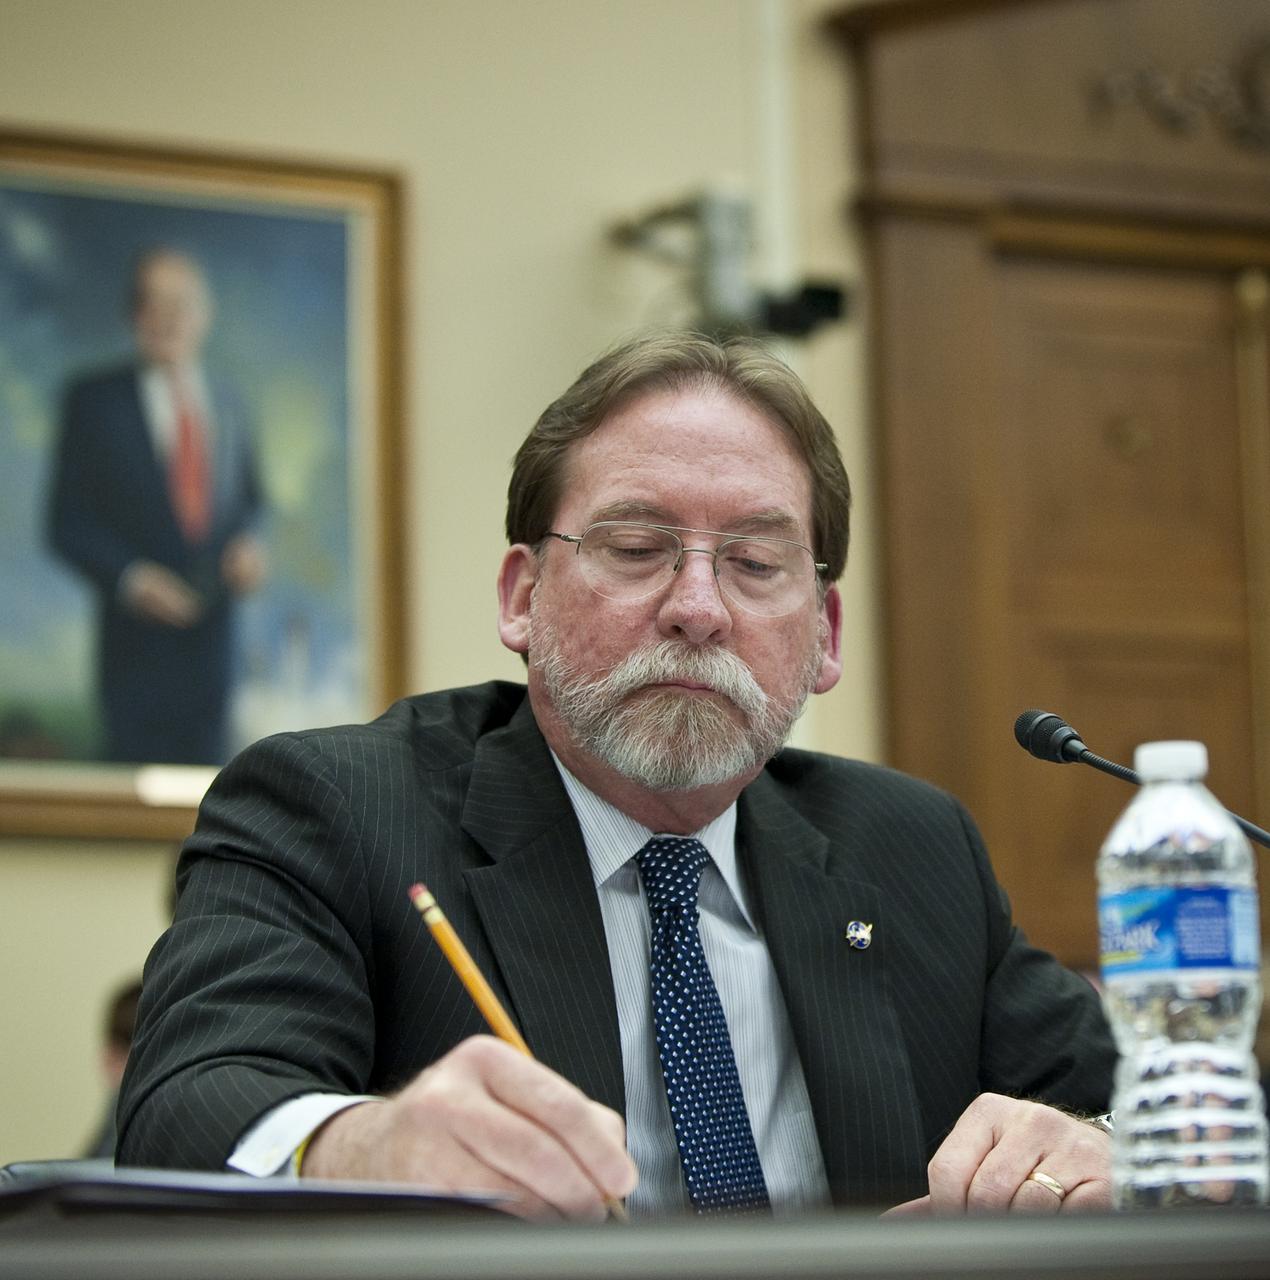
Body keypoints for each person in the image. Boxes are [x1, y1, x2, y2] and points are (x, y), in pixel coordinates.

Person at [117, 331, 1116, 1220]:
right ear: (521, 595)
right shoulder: (334, 807)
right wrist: (366, 1148)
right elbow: (188, 1105)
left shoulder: (906, 847)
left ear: (825, 633)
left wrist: (1106, 1145)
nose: (696, 606)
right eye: (636, 548)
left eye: (755, 563)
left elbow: (1183, 1104)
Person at [47, 247, 265, 765]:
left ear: (204, 314)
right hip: (134, 655)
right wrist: (130, 578)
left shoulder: (229, 400)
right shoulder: (95, 399)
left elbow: (253, 504)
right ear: (134, 314)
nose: (170, 317)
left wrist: (251, 547)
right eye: (155, 303)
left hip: (213, 650)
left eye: (183, 303)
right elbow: (65, 521)